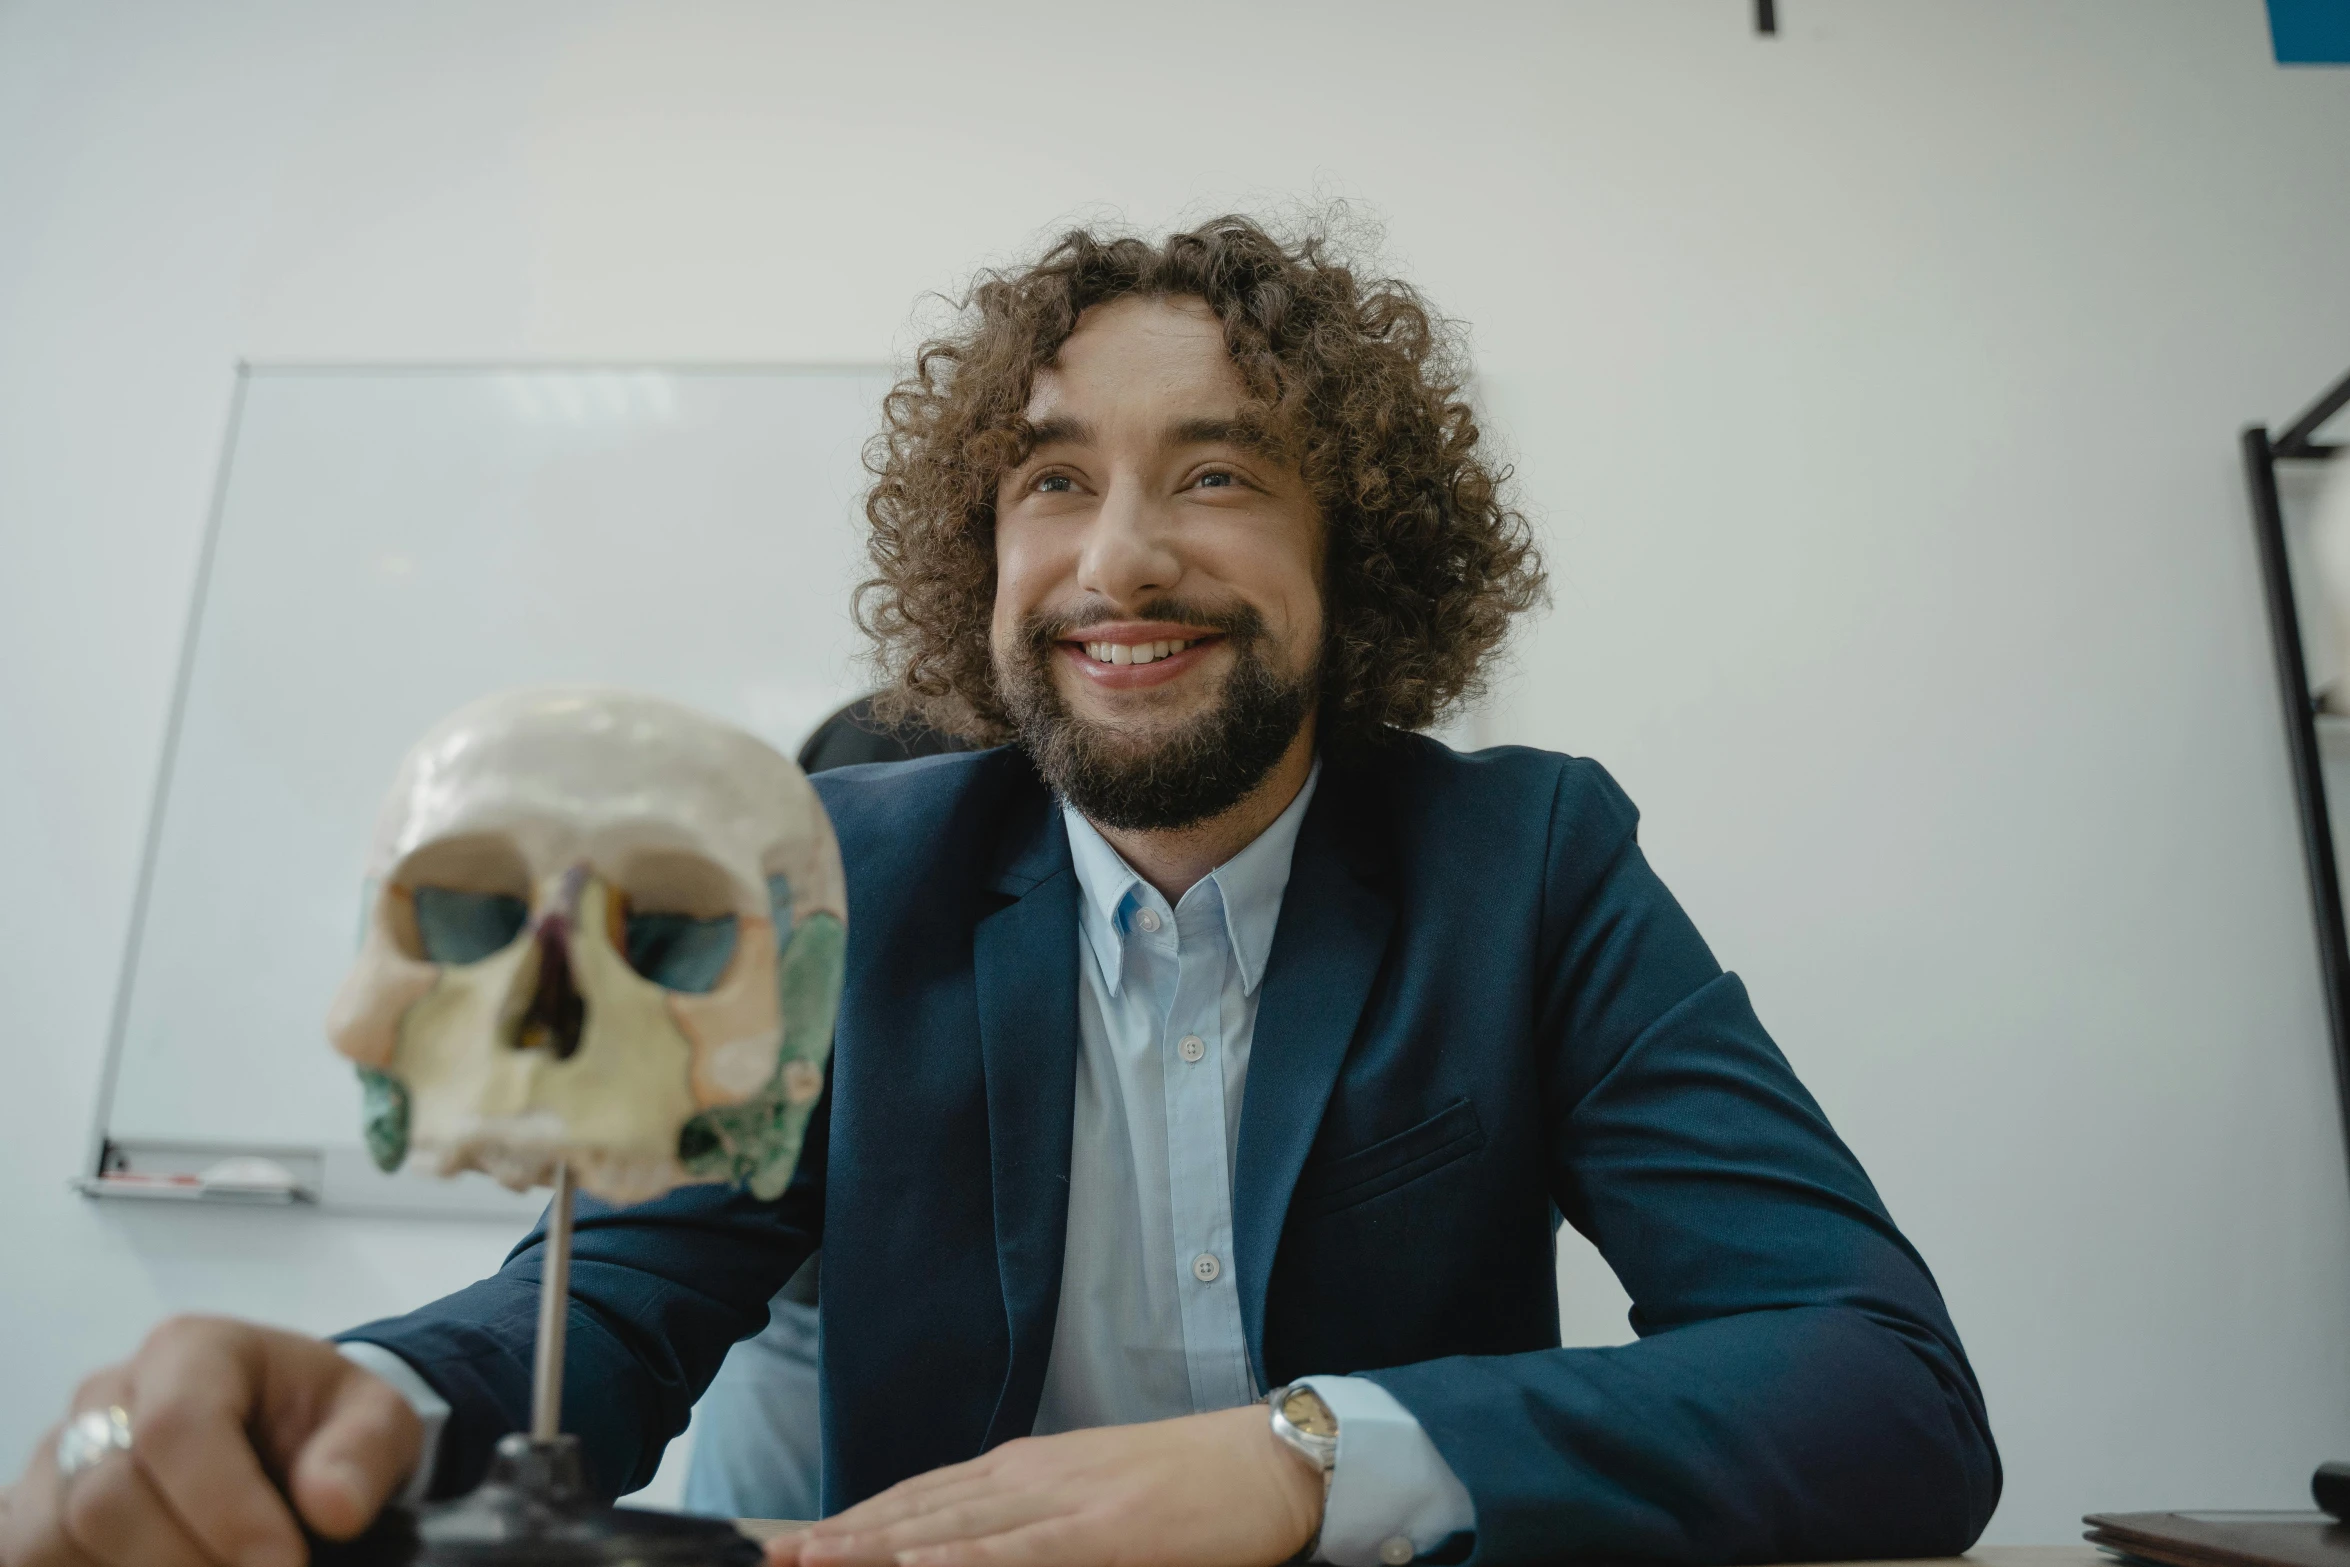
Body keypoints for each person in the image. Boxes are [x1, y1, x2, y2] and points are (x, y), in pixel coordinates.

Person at [0, 216, 1999, 1567]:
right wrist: (338, 1403)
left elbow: (1877, 1388)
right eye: (1051, 480)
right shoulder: (848, 873)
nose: (1113, 558)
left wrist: (1297, 1467)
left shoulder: (1530, 861)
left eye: (1212, 473)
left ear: (1355, 556)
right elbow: (604, 1298)